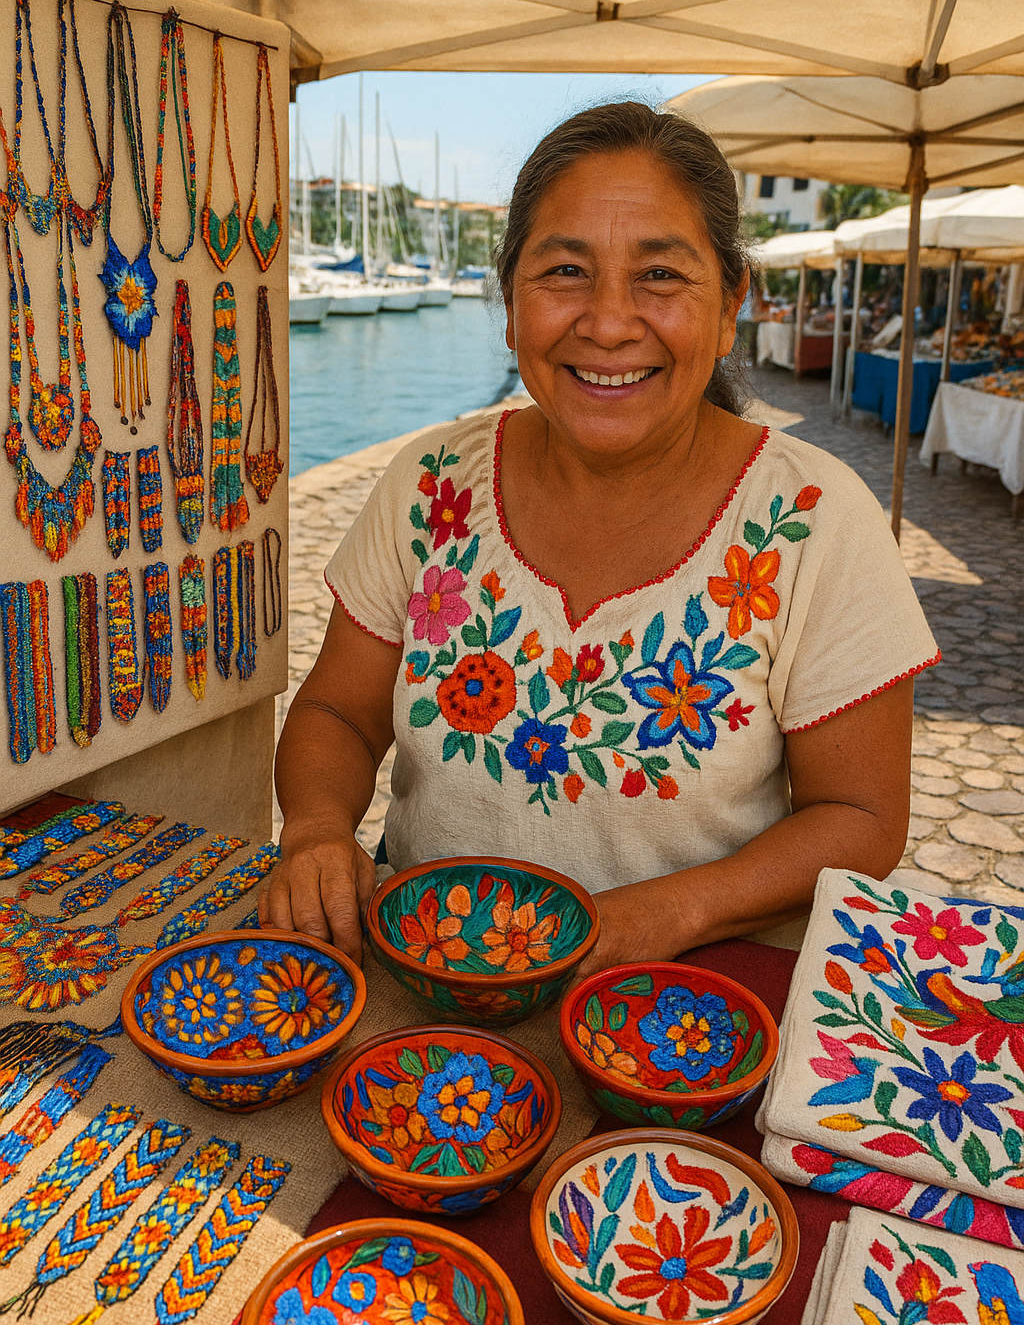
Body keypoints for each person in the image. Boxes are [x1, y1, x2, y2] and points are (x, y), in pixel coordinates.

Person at [262, 102, 939, 976]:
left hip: (679, 1009)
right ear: (509, 298)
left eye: (660, 274)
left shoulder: (813, 517)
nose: (610, 322)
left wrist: (671, 911)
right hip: (430, 981)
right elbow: (333, 715)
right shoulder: (433, 484)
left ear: (732, 302)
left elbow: (862, 816)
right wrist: (316, 831)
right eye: (566, 272)